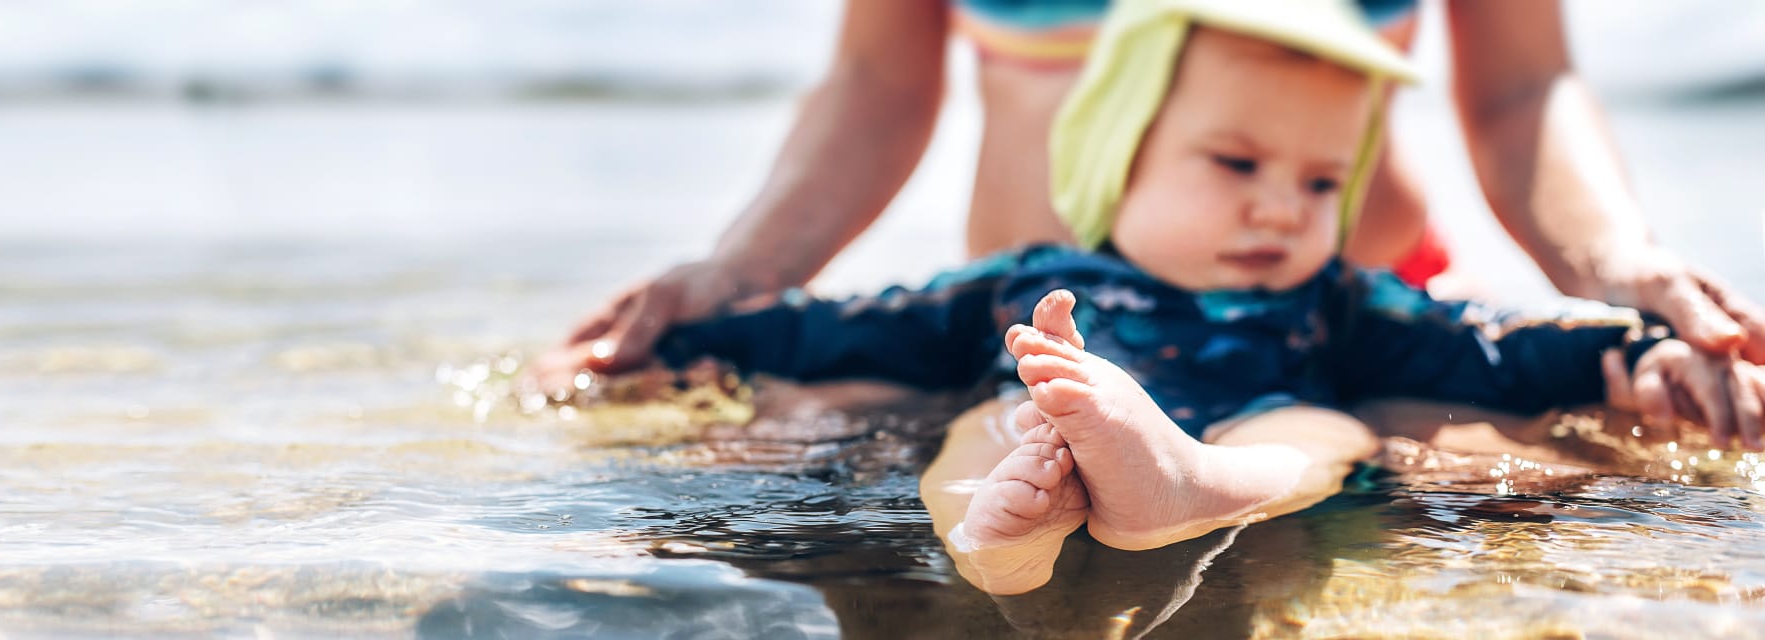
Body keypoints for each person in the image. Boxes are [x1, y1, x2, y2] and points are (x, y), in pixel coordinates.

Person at [619, 0, 1765, 595]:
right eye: (1237, 167)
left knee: (1316, 432)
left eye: (1322, 179)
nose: (1280, 204)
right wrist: (713, 316)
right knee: (994, 423)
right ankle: (1003, 544)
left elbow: (1490, 336)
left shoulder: (1340, 308)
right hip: (1048, 360)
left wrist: (1628, 322)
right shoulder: (1018, 291)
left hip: (1326, 375)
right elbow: (850, 316)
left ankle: (1187, 485)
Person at [533, 0, 1765, 391]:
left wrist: (1620, 274)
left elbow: (1518, 88)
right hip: (1024, 337)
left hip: (1364, 313)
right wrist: (735, 285)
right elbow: (874, 82)